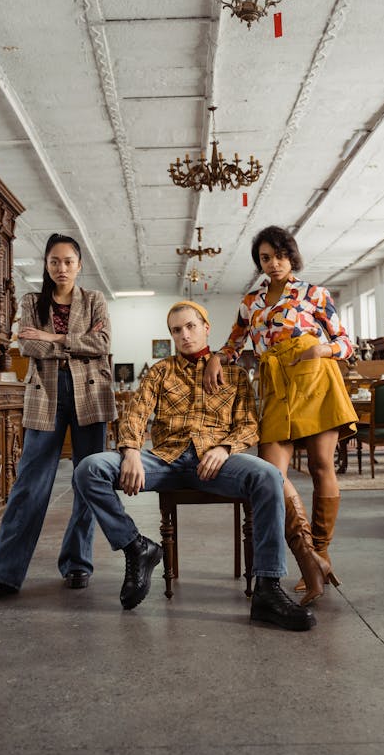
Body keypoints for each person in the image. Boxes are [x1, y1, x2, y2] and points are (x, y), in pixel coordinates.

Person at [74, 300, 315, 632]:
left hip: (215, 463)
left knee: (268, 475)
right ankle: (136, 547)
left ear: (206, 327)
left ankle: (268, 590)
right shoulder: (161, 371)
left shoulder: (234, 374)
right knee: (89, 468)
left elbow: (248, 425)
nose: (184, 335)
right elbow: (135, 413)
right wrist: (131, 451)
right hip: (164, 460)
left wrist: (224, 447)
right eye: (176, 330)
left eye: (190, 326)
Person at [204, 226, 356, 607]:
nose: (273, 264)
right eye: (265, 258)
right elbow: (234, 345)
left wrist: (319, 351)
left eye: (279, 256)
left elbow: (344, 341)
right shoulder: (250, 301)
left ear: (292, 256)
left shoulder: (314, 294)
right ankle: (311, 558)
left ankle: (323, 549)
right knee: (271, 474)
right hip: (274, 387)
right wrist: (214, 357)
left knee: (322, 466)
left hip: (314, 381)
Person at [0, 233, 116, 602]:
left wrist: (53, 339)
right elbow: (27, 344)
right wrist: (70, 341)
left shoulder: (95, 300)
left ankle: (77, 564)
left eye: (69, 261)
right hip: (46, 398)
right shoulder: (31, 302)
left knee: (89, 481)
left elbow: (102, 345)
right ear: (47, 265)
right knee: (29, 485)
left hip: (91, 398)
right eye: (55, 261)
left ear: (80, 264)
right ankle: (4, 574)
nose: (62, 268)